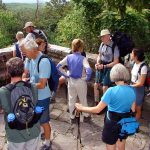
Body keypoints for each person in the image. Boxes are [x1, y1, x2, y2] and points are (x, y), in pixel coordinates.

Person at [75, 63, 136, 150]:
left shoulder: (111, 91)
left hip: (112, 123)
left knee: (111, 146)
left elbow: (97, 110)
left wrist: (81, 108)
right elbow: (133, 109)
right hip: (125, 122)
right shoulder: (132, 90)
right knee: (121, 143)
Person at [0, 57, 41, 150]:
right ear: (23, 70)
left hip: (15, 134)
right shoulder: (33, 87)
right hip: (33, 130)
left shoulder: (3, 91)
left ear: (8, 72)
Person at [21, 39, 52, 150]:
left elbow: (42, 84)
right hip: (33, 95)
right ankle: (39, 137)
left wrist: (28, 84)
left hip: (42, 97)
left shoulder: (43, 62)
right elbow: (26, 73)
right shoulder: (30, 59)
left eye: (25, 51)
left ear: (32, 50)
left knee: (44, 121)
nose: (24, 54)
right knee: (35, 120)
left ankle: (47, 143)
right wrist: (24, 78)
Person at [57, 39, 92, 123]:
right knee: (83, 99)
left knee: (71, 99)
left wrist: (66, 74)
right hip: (80, 81)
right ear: (81, 48)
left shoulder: (68, 57)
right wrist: (86, 78)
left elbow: (58, 66)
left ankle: (72, 117)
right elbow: (89, 70)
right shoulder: (83, 58)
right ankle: (86, 116)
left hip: (71, 81)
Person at [94, 29, 119, 105]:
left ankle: (104, 105)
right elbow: (99, 55)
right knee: (96, 85)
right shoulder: (102, 44)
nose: (102, 38)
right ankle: (97, 102)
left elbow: (116, 62)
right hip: (101, 66)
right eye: (101, 37)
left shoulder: (114, 46)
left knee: (105, 87)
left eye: (103, 37)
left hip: (109, 67)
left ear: (108, 37)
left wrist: (105, 66)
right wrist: (97, 63)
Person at [130, 48, 148, 120]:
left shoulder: (143, 67)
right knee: (131, 106)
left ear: (136, 56)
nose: (130, 54)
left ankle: (135, 124)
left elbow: (141, 83)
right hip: (132, 86)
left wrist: (130, 86)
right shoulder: (134, 63)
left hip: (138, 89)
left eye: (132, 53)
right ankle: (131, 122)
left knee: (138, 108)